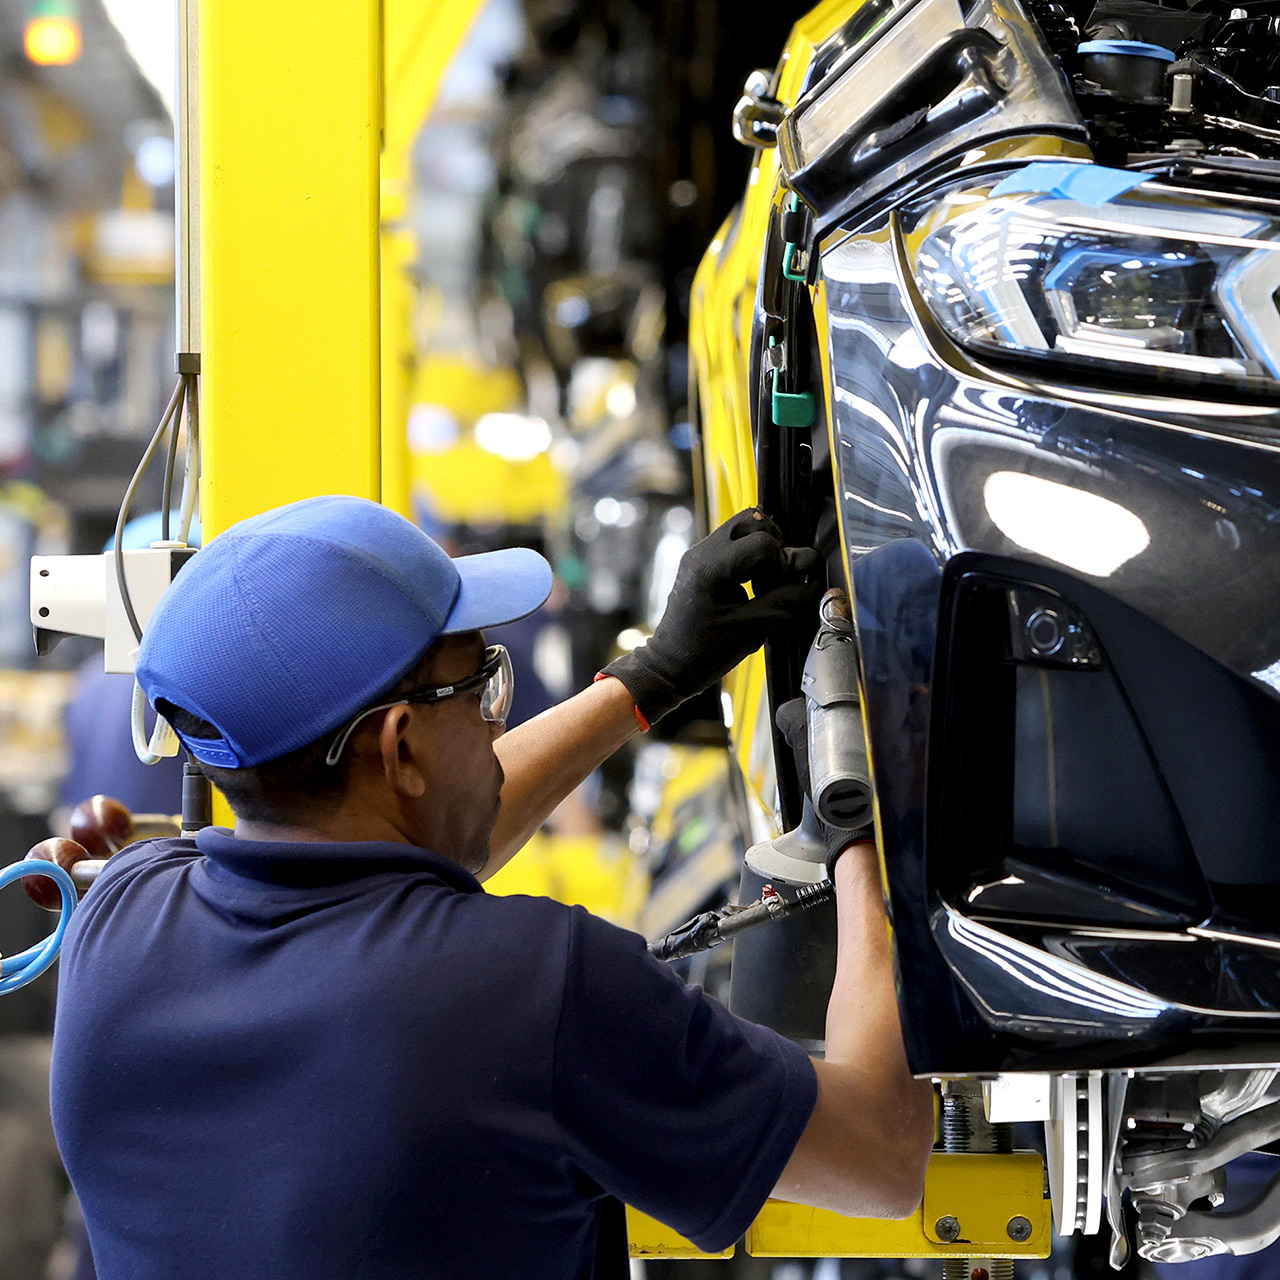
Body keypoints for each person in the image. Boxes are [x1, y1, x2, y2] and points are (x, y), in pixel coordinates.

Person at [49, 496, 934, 1280]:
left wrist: (650, 680)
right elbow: (882, 1153)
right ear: (399, 747)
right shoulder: (542, 987)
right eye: (484, 688)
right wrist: (859, 831)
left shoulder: (117, 924)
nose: (495, 718)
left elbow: (395, 872)